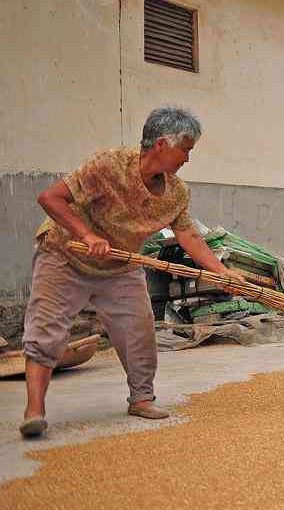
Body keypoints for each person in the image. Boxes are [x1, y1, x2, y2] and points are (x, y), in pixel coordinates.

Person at [19, 107, 246, 438]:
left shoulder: (177, 192)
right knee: (47, 329)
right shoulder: (108, 165)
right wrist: (88, 235)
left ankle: (141, 399)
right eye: (185, 149)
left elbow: (189, 235)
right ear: (161, 144)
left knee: (138, 330)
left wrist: (221, 271)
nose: (187, 158)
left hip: (121, 264)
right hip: (65, 254)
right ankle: (34, 410)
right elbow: (50, 198)